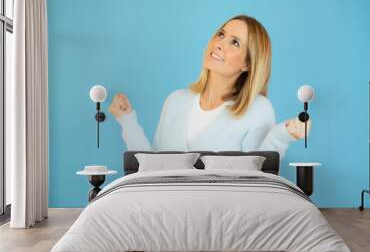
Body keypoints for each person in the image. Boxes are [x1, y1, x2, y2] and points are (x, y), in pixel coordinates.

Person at [109, 15, 310, 159]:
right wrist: (127, 121)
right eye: (221, 34)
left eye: (235, 43)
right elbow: (151, 166)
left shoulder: (258, 109)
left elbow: (257, 174)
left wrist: (282, 136)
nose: (220, 43)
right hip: (164, 211)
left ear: (248, 64)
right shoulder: (176, 100)